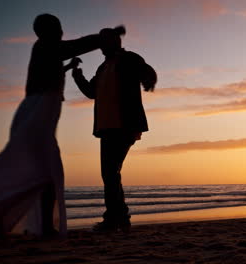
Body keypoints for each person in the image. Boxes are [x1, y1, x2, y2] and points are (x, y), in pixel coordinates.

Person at [0, 14, 125, 238]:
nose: (60, 30)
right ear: (44, 31)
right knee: (43, 169)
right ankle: (29, 222)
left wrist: (68, 67)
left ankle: (5, 216)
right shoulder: (46, 46)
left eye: (59, 26)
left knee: (36, 168)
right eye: (55, 27)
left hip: (36, 114)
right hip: (37, 114)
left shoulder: (46, 50)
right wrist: (101, 38)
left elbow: (53, 66)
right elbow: (72, 47)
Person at [72, 28, 157, 233]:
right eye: (102, 42)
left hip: (125, 125)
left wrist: (148, 79)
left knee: (110, 172)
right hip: (106, 127)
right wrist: (77, 75)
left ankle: (114, 219)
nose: (104, 45)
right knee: (110, 173)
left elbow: (145, 69)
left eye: (108, 40)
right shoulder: (102, 68)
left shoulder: (129, 58)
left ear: (117, 42)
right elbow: (91, 92)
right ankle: (120, 217)